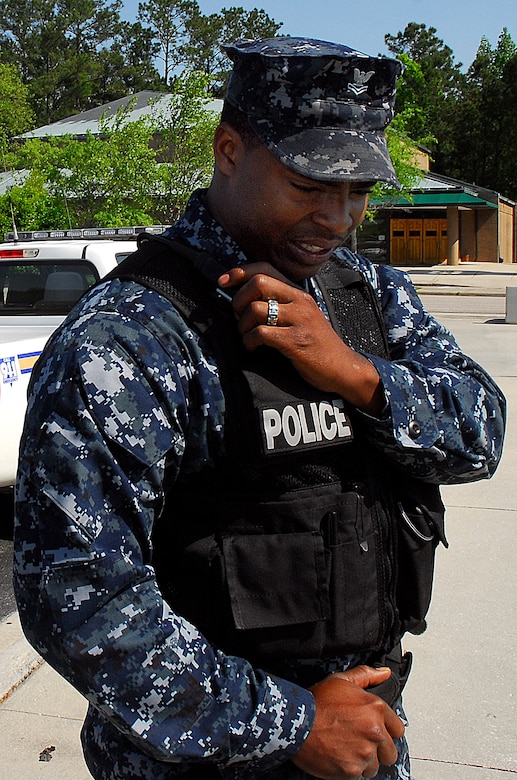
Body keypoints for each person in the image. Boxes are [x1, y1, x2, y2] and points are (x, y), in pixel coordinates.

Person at [13, 37, 505, 780]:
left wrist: (354, 374)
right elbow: (76, 597)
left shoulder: (366, 298)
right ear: (229, 149)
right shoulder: (129, 337)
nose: (339, 218)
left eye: (359, 190)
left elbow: (479, 437)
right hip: (209, 757)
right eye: (311, 184)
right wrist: (294, 724)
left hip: (366, 738)